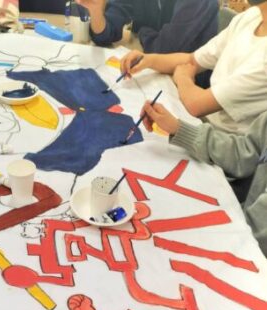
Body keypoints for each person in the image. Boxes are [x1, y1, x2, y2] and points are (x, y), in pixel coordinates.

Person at [140, 100, 267, 256]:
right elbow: (244, 153)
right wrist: (178, 128)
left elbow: (258, 233)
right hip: (240, 229)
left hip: (250, 249)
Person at [120, 0, 267, 133]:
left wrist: (183, 77)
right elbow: (192, 60)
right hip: (205, 123)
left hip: (224, 140)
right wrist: (149, 60)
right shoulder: (252, 17)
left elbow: (196, 104)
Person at [75, 0, 218, 52]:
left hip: (188, 85)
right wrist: (96, 12)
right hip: (151, 68)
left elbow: (165, 49)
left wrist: (143, 32)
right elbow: (105, 36)